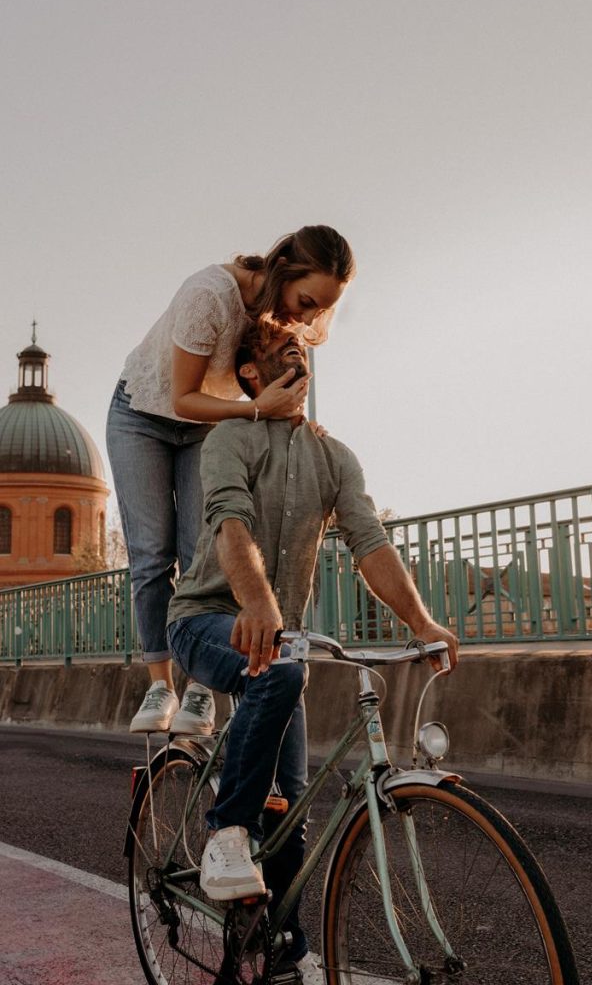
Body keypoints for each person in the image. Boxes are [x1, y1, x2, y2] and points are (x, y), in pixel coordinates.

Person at [165, 324, 459, 979]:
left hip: (280, 637)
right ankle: (224, 835)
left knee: (292, 808)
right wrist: (256, 603)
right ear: (247, 371)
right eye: (279, 344)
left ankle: (275, 945)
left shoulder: (333, 456)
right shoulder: (229, 439)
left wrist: (421, 620)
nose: (297, 350)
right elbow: (230, 525)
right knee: (279, 681)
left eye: (304, 346)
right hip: (208, 619)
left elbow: (369, 543)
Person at [106, 226, 355, 734]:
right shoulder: (210, 295)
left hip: (213, 420)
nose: (306, 318)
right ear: (283, 267)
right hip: (143, 416)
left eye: (318, 310)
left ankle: (201, 691)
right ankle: (161, 684)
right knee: (154, 554)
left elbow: (276, 381)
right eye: (306, 301)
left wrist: (298, 424)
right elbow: (182, 399)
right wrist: (258, 409)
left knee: (211, 549)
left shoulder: (276, 311)